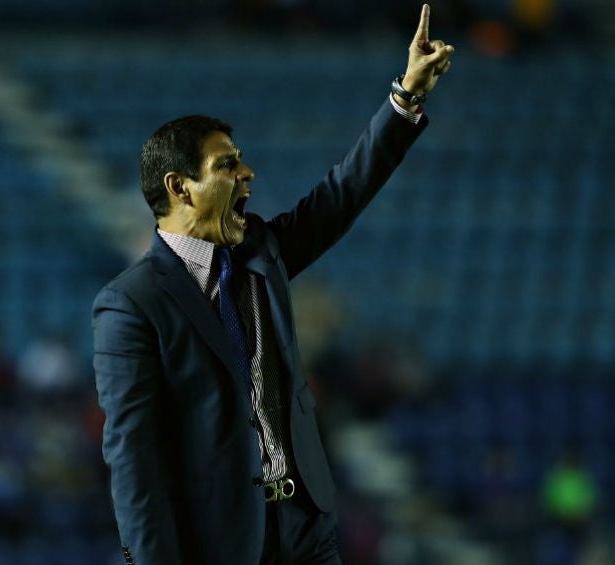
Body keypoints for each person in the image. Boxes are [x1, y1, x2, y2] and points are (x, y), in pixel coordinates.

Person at [92, 5, 454, 564]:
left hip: (306, 524)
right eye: (227, 165)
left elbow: (340, 196)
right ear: (179, 187)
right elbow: (133, 458)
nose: (247, 174)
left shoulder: (259, 249)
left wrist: (404, 99)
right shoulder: (130, 305)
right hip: (222, 543)